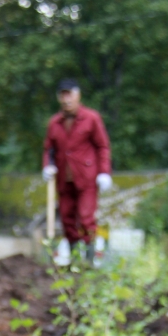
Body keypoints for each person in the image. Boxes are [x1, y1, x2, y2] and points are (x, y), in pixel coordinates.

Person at [42, 79, 112, 265]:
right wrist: (47, 166)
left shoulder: (91, 118)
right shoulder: (55, 124)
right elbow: (48, 149)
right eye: (63, 95)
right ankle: (74, 261)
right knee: (67, 220)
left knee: (87, 218)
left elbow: (102, 146)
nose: (67, 99)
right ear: (59, 98)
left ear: (78, 95)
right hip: (65, 181)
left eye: (70, 94)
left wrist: (104, 172)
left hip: (87, 178)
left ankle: (89, 263)